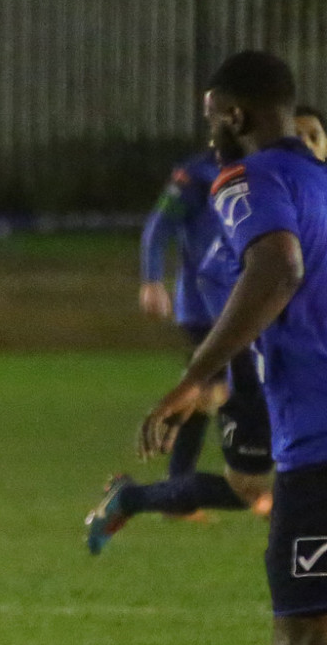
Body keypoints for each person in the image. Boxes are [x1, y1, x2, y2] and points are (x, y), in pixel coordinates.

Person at [139, 51, 327, 645]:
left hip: (318, 443)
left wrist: (195, 376)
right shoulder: (320, 181)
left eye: (214, 116)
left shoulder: (244, 177)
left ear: (236, 113)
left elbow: (277, 267)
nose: (211, 129)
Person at [86, 233, 273, 554]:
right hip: (257, 382)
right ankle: (129, 499)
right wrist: (217, 379)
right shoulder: (246, 224)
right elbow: (216, 278)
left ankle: (130, 499)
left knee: (269, 487)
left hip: (289, 371)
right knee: (250, 486)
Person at [139, 146, 224, 487]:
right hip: (207, 304)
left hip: (250, 303)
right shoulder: (198, 174)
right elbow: (159, 228)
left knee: (211, 389)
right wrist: (152, 280)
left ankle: (177, 480)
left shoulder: (270, 168)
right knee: (218, 387)